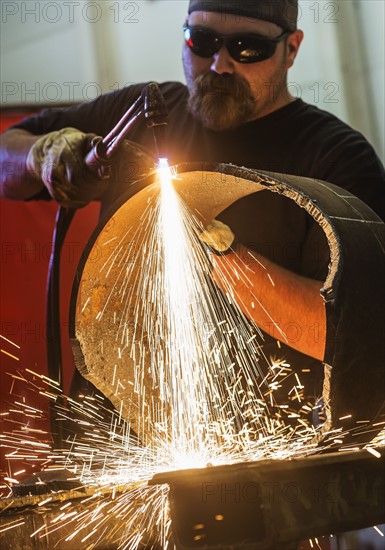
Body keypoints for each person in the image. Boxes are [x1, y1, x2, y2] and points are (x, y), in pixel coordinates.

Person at [1, 0, 384, 400]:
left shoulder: (337, 157)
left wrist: (222, 252)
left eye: (248, 47)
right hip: (109, 431)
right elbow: (4, 158)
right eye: (202, 41)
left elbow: (351, 335)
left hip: (260, 443)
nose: (220, 64)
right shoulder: (137, 115)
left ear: (291, 49)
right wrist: (40, 157)